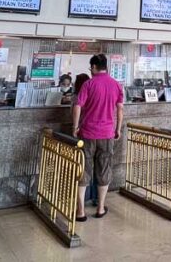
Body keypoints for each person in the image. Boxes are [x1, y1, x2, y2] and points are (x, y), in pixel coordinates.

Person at [72, 54, 124, 221]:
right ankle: (100, 208)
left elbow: (77, 106)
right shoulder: (116, 85)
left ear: (94, 67)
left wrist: (75, 127)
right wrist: (118, 129)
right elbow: (120, 110)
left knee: (83, 170)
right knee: (104, 170)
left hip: (87, 134)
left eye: (91, 68)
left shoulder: (88, 84)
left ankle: (80, 212)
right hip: (107, 134)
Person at [72, 73, 97, 207]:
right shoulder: (93, 93)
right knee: (97, 167)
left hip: (84, 133)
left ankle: (81, 202)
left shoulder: (78, 96)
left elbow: (75, 108)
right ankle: (96, 199)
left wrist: (75, 127)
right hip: (101, 133)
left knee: (83, 166)